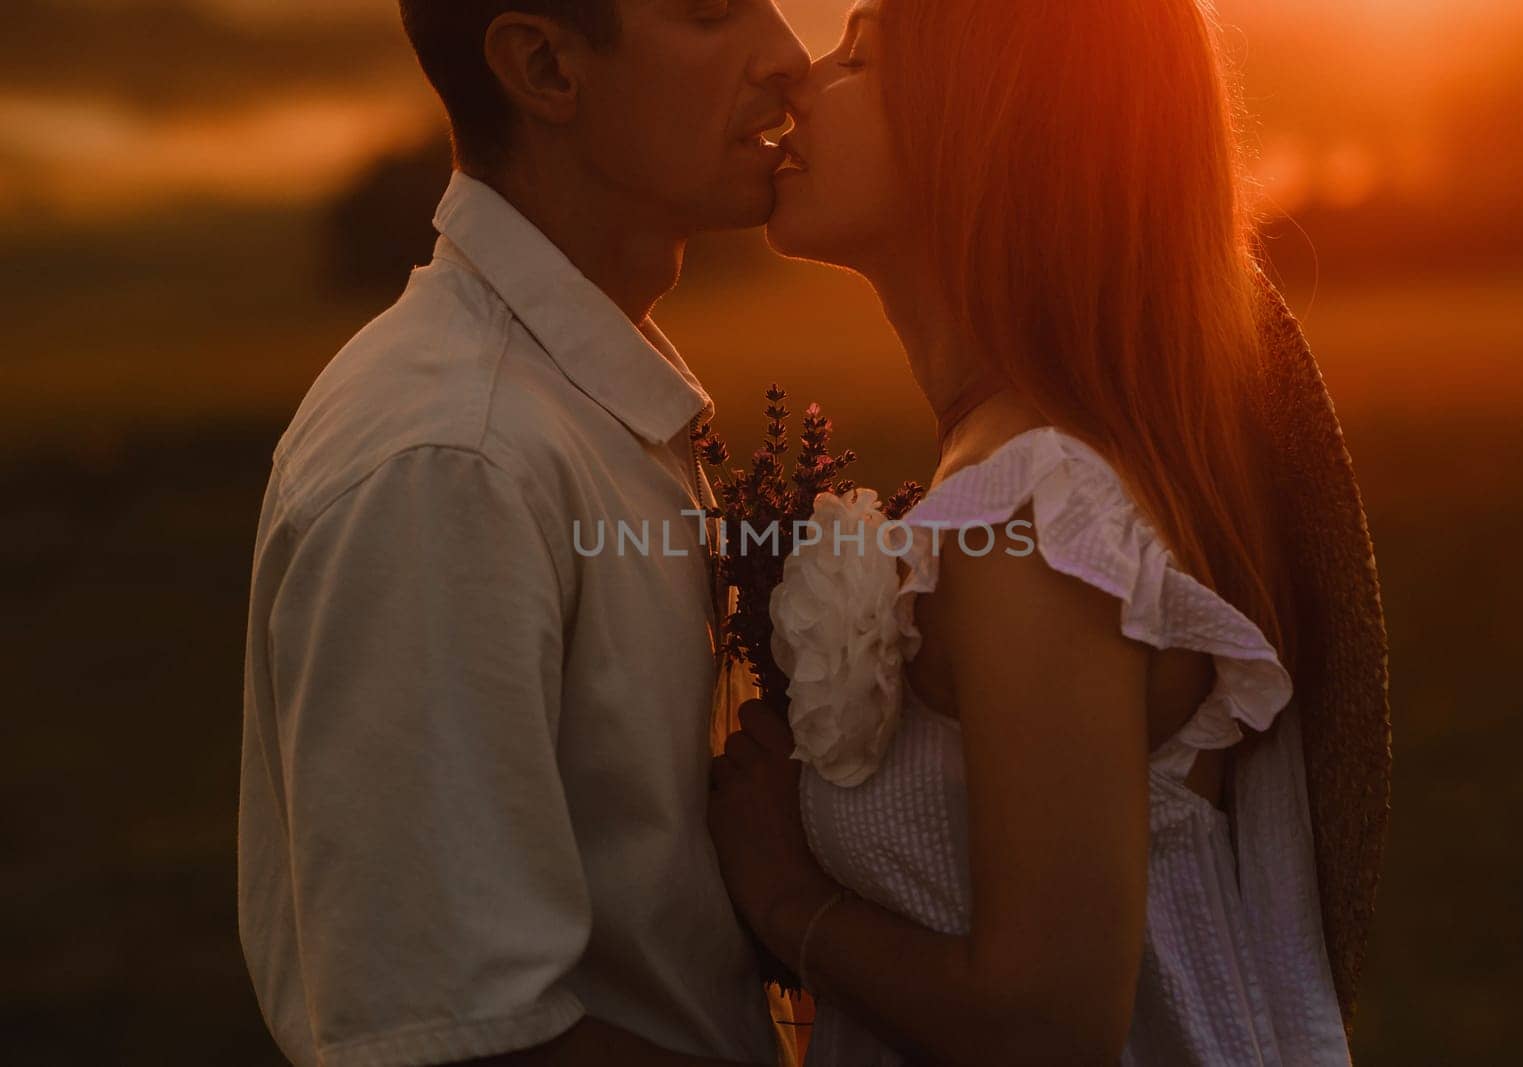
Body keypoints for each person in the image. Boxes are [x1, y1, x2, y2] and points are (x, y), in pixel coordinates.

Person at [708, 1, 1382, 1063]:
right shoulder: (1017, 470)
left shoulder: (1034, 512)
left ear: (979, 129)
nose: (801, 76)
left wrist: (789, 898)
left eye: (860, 54)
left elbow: (1046, 1023)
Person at [238, 2, 808, 1065]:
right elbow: (458, 1038)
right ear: (545, 66)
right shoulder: (454, 463)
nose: (786, 55)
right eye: (712, 13)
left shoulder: (567, 405)